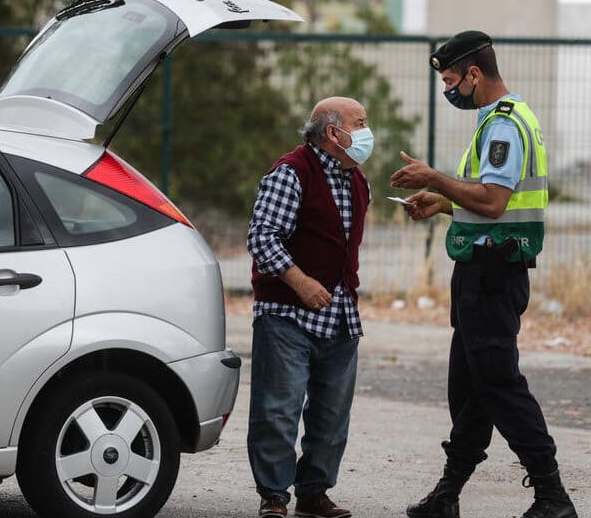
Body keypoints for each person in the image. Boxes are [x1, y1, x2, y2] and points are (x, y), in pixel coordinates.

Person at [391, 30, 577, 518]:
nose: (449, 90)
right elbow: (494, 199)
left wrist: (433, 177)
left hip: (493, 272)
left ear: (475, 74)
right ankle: (447, 495)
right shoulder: (503, 118)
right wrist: (443, 204)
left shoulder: (503, 125)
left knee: (497, 384)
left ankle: (552, 496)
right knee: (469, 388)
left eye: (452, 80)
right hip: (483, 269)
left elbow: (494, 203)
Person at [247, 96, 372, 518]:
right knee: (278, 409)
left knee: (332, 414)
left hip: (339, 315)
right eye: (360, 122)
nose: (367, 131)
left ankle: (314, 492)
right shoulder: (291, 172)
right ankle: (274, 496)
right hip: (287, 314)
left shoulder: (356, 179)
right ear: (333, 132)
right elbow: (262, 237)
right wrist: (300, 282)